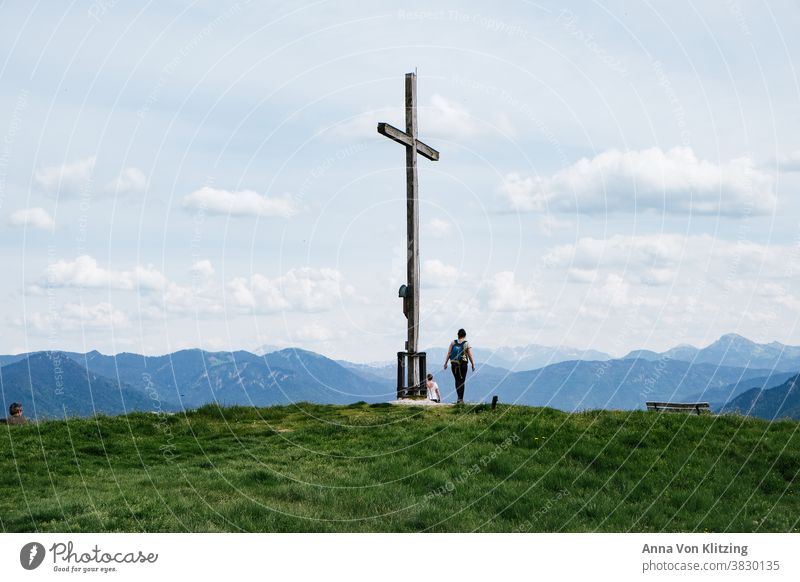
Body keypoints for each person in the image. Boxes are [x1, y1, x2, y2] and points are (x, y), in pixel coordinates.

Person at [443, 329, 475, 404]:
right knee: (462, 381)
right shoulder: (466, 344)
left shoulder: (453, 342)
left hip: (454, 364)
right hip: (463, 365)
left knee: (457, 380)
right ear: (465, 335)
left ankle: (458, 398)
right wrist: (473, 364)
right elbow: (470, 355)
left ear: (458, 335)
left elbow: (449, 353)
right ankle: (460, 399)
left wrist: (446, 363)